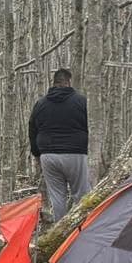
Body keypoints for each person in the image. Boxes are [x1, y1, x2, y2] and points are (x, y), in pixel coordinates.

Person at [28, 67, 90, 221]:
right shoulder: (82, 101)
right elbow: (91, 126)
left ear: (54, 83)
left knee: (57, 197)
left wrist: (36, 153)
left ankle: (60, 234)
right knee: (82, 196)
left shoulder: (40, 104)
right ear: (69, 82)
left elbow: (32, 129)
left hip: (48, 156)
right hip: (75, 154)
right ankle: (83, 231)